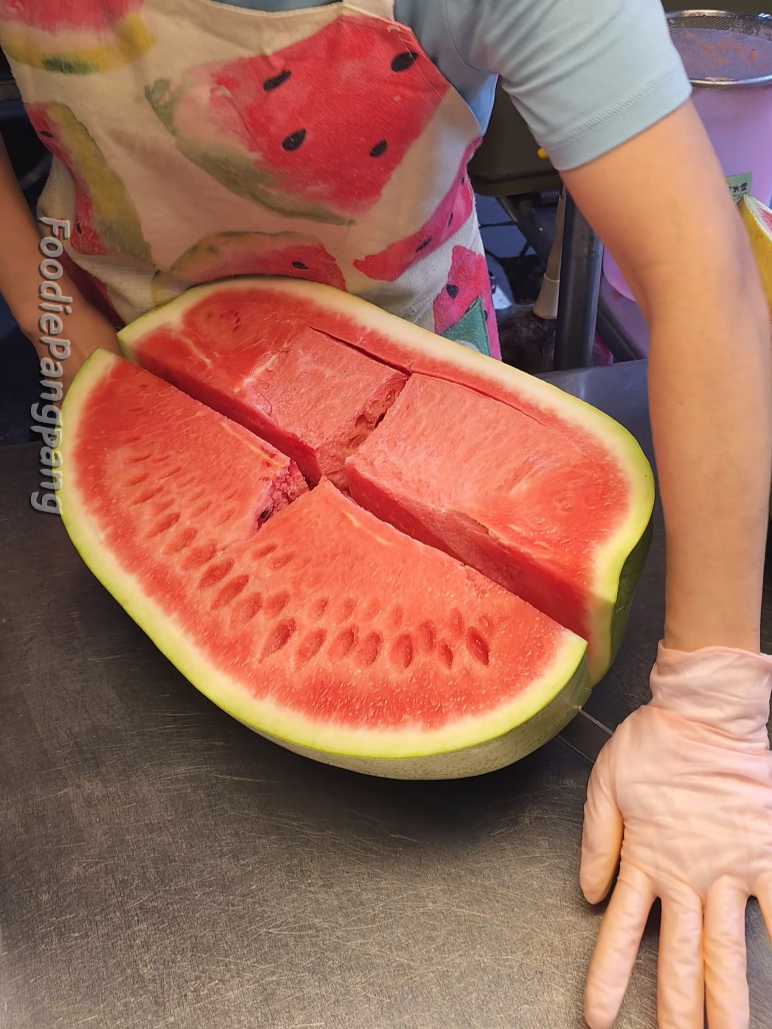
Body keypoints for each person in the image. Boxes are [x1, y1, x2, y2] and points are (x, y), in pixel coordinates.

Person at [1, 1, 771, 1025]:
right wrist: (62, 336)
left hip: (419, 377)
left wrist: (713, 693)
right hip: (110, 356)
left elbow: (700, 274)